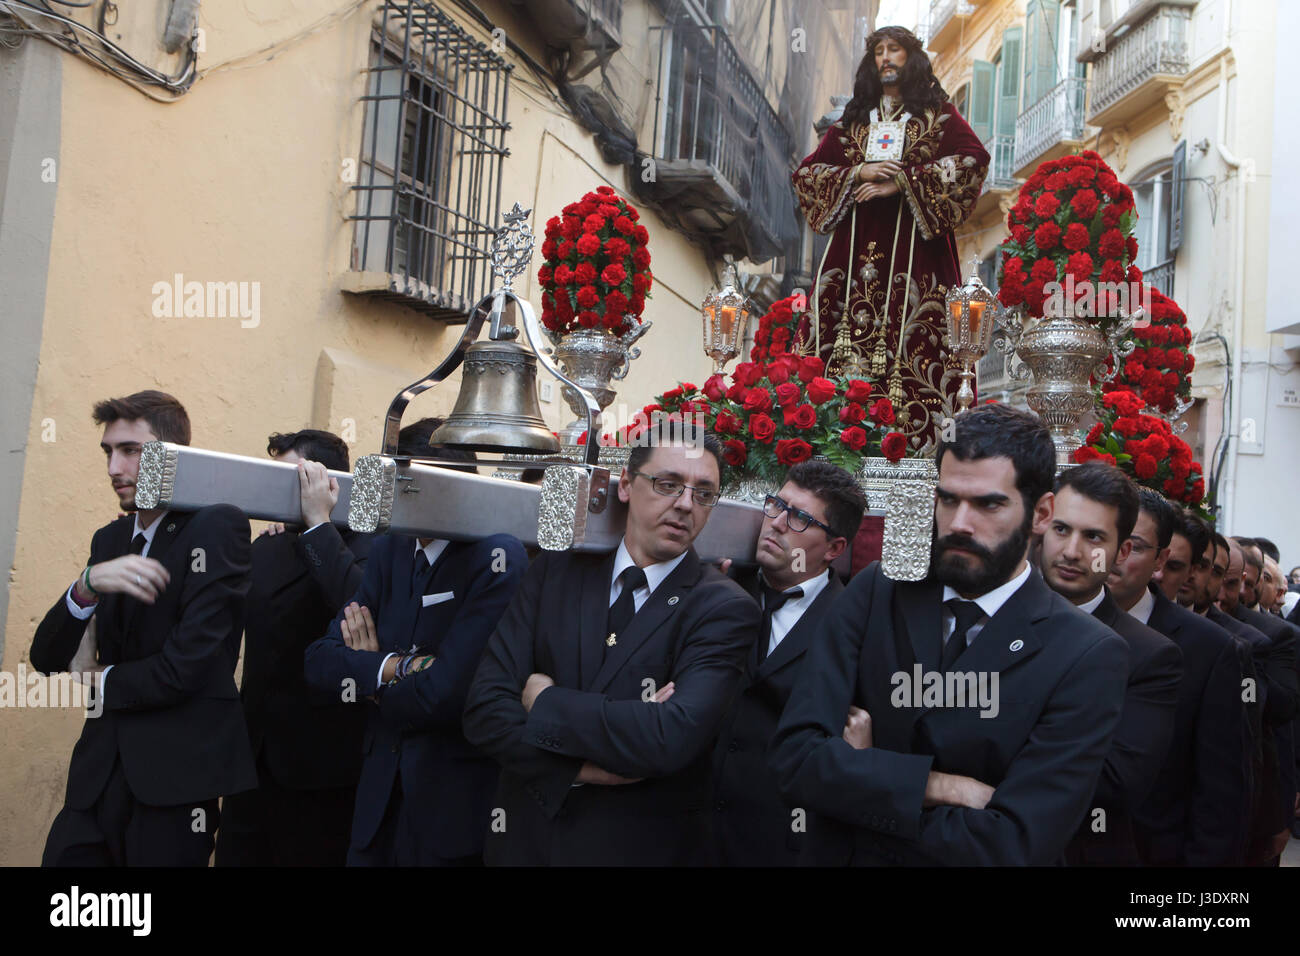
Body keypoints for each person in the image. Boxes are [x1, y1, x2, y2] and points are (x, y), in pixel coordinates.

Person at [770, 404, 1127, 865]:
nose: (959, 523)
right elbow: (795, 760)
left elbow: (1013, 842)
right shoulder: (880, 590)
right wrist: (936, 786)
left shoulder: (1086, 654)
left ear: (1041, 513)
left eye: (988, 504)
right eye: (948, 499)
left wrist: (861, 780)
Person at [463, 421, 760, 866]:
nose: (684, 505)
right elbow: (484, 709)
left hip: (634, 847)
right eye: (667, 484)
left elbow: (668, 737)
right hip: (526, 842)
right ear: (625, 484)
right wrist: (580, 769)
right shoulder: (555, 572)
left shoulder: (724, 608)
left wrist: (544, 700)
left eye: (703, 494)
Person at [31, 390, 256, 866]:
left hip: (174, 785)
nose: (114, 468)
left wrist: (99, 678)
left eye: (130, 450)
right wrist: (86, 587)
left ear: (172, 455)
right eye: (108, 452)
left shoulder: (217, 527)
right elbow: (47, 658)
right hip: (95, 779)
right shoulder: (110, 538)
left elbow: (186, 667)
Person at [302, 419, 527, 866]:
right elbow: (320, 663)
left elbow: (446, 694)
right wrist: (397, 667)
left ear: (448, 484)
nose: (391, 493)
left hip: (449, 820)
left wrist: (367, 669)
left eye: (404, 482)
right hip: (376, 812)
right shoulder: (391, 548)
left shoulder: (496, 557)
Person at [791, 25, 989, 453]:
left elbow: (972, 160)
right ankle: (827, 440)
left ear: (910, 57)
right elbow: (807, 174)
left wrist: (903, 182)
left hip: (918, 256)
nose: (885, 58)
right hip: (853, 255)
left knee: (921, 345)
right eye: (879, 50)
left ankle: (916, 448)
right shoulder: (855, 122)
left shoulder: (937, 116)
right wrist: (857, 173)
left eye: (894, 49)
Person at [215, 429, 374, 867]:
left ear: (328, 484)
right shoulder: (266, 546)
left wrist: (317, 525)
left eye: (293, 480)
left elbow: (356, 603)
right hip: (252, 761)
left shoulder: (364, 546)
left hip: (322, 769)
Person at [711, 461, 865, 866]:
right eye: (776, 505)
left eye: (799, 518)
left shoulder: (855, 626)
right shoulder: (720, 588)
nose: (777, 523)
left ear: (834, 549)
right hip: (691, 834)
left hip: (785, 844)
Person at [1035, 463, 1181, 866]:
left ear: (1122, 552)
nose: (1071, 551)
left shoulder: (1150, 655)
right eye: (1061, 529)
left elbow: (1114, 781)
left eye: (1094, 537)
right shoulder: (987, 619)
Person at [1107, 489, 1248, 865]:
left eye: (1132, 545)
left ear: (1160, 559)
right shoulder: (1041, 626)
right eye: (1101, 538)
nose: (1112, 557)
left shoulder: (1210, 649)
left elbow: (1219, 794)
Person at [1204, 534, 1292, 865]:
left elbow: (1276, 729)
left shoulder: (1263, 639)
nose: (1225, 595)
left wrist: (1279, 814)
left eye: (1231, 582)